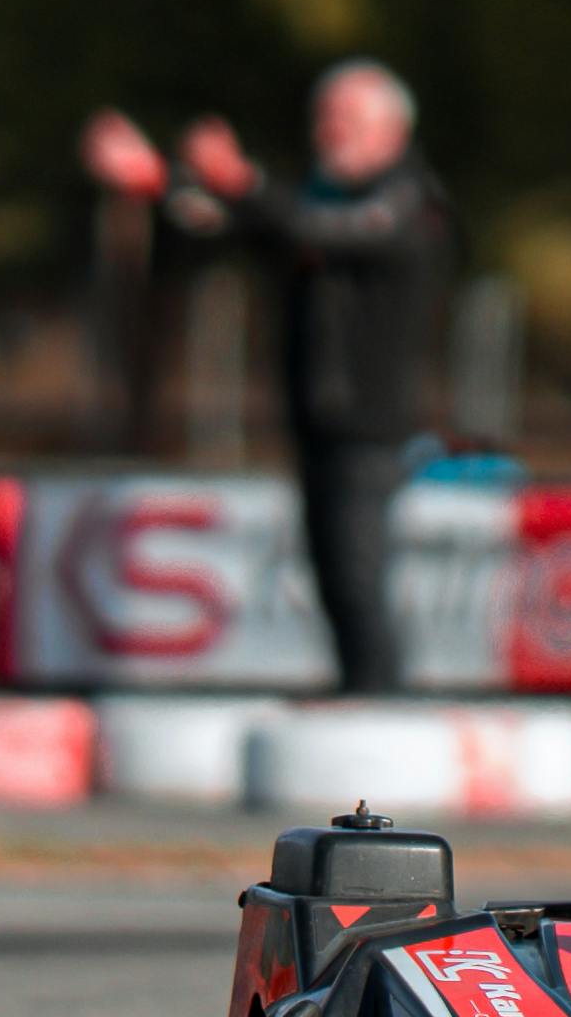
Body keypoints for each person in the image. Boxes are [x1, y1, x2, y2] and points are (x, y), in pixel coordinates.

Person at [157, 61, 452, 695]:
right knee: (328, 575)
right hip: (314, 419)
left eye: (343, 120)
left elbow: (302, 223)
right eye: (324, 119)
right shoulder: (321, 199)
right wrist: (159, 181)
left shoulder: (407, 201)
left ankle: (381, 706)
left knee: (357, 574)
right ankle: (358, 693)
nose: (327, 133)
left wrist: (241, 178)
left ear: (390, 128)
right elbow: (229, 225)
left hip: (369, 428)